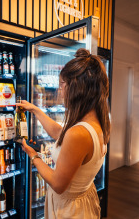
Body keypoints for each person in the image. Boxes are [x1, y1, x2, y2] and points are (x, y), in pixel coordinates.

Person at [18, 48, 110, 219]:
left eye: (62, 85)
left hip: (69, 210)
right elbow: (60, 133)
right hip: (84, 199)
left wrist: (33, 155)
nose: (59, 91)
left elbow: (58, 184)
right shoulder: (97, 122)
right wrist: (35, 110)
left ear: (76, 88)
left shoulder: (78, 133)